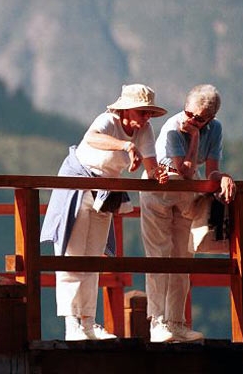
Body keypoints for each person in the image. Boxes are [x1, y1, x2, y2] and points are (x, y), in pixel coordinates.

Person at [40, 84, 169, 340]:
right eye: (142, 112)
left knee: (92, 257)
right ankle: (71, 325)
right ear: (126, 110)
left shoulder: (144, 130)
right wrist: (126, 146)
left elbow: (151, 164)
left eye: (149, 113)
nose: (146, 118)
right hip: (78, 185)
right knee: (72, 255)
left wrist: (158, 173)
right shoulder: (107, 120)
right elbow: (92, 138)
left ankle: (88, 323)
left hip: (105, 191)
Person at [140, 84, 236, 343]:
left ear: (211, 118)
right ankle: (157, 323)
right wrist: (194, 136)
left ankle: (176, 322)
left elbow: (210, 172)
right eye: (189, 113)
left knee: (183, 257)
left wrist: (223, 177)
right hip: (159, 192)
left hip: (185, 194)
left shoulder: (215, 129)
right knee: (159, 256)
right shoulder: (173, 127)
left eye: (199, 118)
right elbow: (184, 170)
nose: (190, 120)